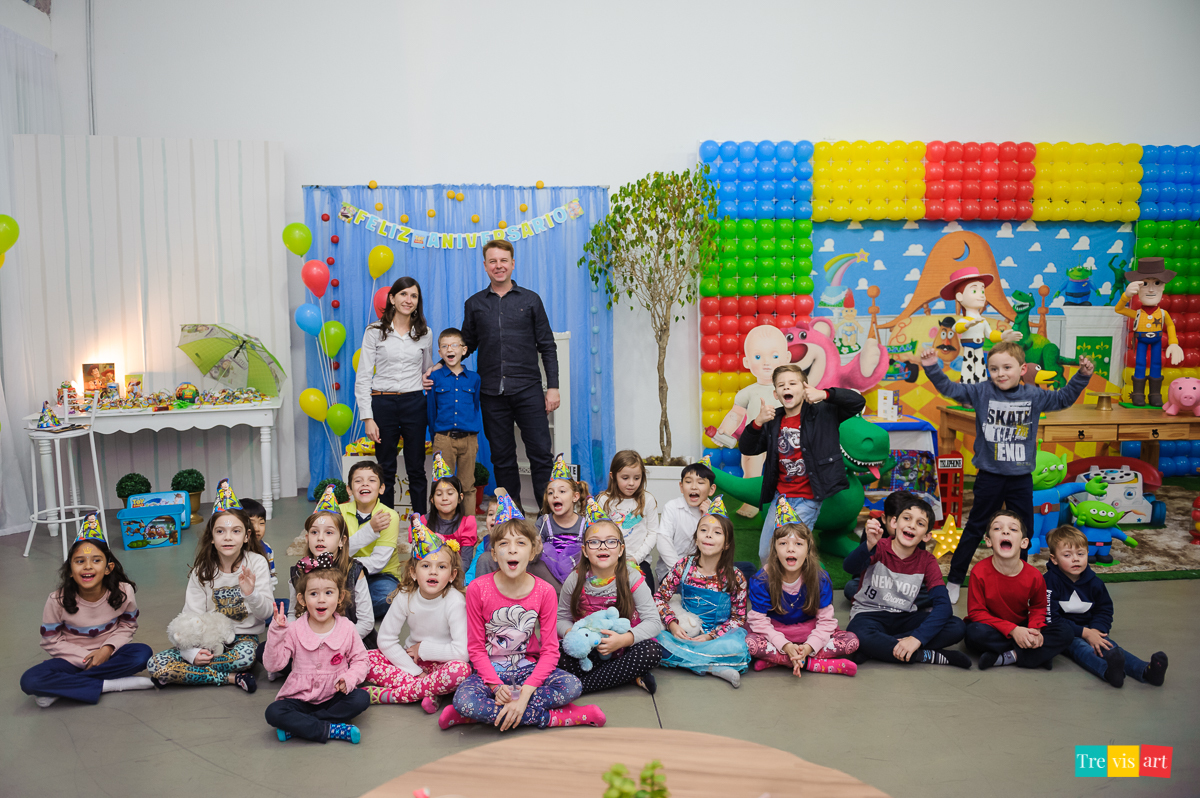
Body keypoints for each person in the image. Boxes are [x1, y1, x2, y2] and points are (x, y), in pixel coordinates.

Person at [920, 341, 1094, 603]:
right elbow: (950, 389)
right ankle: (955, 579)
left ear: (1022, 369)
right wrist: (932, 366)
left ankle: (1019, 580)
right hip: (989, 475)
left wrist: (1082, 376)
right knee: (976, 527)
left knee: (1021, 531)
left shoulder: (1033, 395)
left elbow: (1063, 398)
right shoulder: (982, 392)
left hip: (1020, 478)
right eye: (994, 368)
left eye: (1007, 367)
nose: (1000, 373)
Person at [440, 511, 601, 731]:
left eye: (521, 543)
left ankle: (475, 718)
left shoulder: (544, 591)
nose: (512, 549)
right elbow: (476, 648)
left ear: (533, 551)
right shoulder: (478, 589)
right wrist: (496, 687)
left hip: (528, 669)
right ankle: (560, 717)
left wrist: (524, 694)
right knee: (463, 701)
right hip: (490, 672)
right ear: (494, 554)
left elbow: (551, 650)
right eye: (504, 543)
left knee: (572, 685)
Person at [458, 239, 559, 512]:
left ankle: (548, 517)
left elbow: (547, 345)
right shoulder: (474, 304)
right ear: (485, 266)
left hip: (528, 389)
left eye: (504, 260)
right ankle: (512, 517)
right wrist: (443, 363)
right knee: (502, 458)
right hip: (491, 393)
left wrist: (553, 388)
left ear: (512, 264)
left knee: (540, 454)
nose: (498, 266)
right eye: (493, 261)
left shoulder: (531, 300)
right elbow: (467, 344)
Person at [147, 480, 271, 692]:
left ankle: (187, 674)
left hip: (243, 639)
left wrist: (250, 593)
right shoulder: (202, 571)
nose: (228, 537)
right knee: (155, 665)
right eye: (220, 531)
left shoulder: (257, 563)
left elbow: (265, 613)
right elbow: (190, 617)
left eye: (236, 531)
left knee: (246, 658)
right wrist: (191, 654)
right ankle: (231, 678)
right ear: (212, 537)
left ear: (246, 536)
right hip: (207, 639)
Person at [737, 363, 865, 561]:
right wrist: (758, 422)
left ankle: (796, 590)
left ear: (805, 387)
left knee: (790, 553)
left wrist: (824, 394)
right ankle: (773, 591)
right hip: (780, 499)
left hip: (808, 499)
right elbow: (747, 448)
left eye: (792, 383)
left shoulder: (823, 412)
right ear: (776, 394)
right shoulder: (773, 421)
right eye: (781, 385)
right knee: (766, 553)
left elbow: (857, 402)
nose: (786, 388)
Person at [20, 518, 155, 707]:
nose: (88, 566)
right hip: (72, 659)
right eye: (79, 561)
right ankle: (109, 685)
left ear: (108, 568)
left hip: (110, 654)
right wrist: (85, 658)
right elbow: (51, 640)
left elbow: (128, 625)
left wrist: (106, 650)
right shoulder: (57, 600)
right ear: (69, 570)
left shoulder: (124, 591)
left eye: (96, 560)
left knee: (142, 654)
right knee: (30, 680)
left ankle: (63, 688)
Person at [844, 495, 969, 669]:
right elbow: (849, 567)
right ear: (894, 523)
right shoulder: (878, 547)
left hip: (905, 616)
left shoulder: (927, 560)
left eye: (920, 523)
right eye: (907, 518)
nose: (911, 525)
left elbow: (944, 606)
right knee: (858, 633)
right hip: (869, 614)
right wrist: (868, 546)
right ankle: (925, 655)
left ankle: (879, 648)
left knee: (956, 626)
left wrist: (916, 638)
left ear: (926, 536)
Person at [365, 516, 472, 711]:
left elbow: (462, 653)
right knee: (365, 659)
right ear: (413, 573)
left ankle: (389, 696)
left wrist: (423, 648)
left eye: (441, 567)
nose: (433, 572)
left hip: (444, 665)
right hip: (411, 660)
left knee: (461, 671)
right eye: (425, 566)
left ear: (452, 575)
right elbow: (386, 640)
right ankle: (430, 691)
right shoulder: (406, 595)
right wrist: (415, 672)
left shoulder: (455, 601)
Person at [1043, 525, 1168, 687]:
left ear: (1088, 553)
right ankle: (1109, 672)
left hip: (1090, 627)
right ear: (1054, 559)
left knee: (1110, 646)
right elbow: (1050, 617)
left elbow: (1104, 609)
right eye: (1067, 555)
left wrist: (1096, 630)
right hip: (1065, 632)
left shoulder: (1095, 583)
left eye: (1080, 554)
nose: (1075, 559)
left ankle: (1146, 670)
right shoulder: (1050, 582)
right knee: (1082, 649)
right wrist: (1084, 633)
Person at [747, 499, 858, 677]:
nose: (791, 549)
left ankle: (780, 660)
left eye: (798, 544)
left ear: (808, 550)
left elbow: (826, 622)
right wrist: (785, 645)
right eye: (783, 544)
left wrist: (808, 647)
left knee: (850, 642)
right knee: (750, 643)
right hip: (776, 631)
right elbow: (758, 621)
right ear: (774, 550)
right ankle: (813, 664)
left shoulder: (820, 578)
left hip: (808, 631)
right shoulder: (762, 579)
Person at [557, 511, 664, 694]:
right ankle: (627, 676)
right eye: (594, 542)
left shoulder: (632, 577)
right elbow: (561, 619)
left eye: (611, 541)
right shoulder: (575, 579)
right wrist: (577, 636)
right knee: (556, 655)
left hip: (624, 648)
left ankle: (582, 686)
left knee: (652, 651)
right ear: (584, 550)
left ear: (621, 549)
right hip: (588, 651)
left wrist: (623, 639)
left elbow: (654, 622)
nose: (603, 547)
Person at [263, 569, 370, 744]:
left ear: (340, 597)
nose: (321, 599)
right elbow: (273, 665)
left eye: (329, 593)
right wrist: (276, 633)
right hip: (300, 698)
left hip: (334, 696)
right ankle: (331, 729)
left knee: (361, 698)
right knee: (273, 712)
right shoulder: (294, 629)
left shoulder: (347, 628)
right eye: (313, 594)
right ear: (302, 600)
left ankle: (300, 727)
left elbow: (361, 660)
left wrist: (349, 678)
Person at [654, 497, 750, 688]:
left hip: (717, 637)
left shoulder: (736, 577)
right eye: (703, 530)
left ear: (727, 544)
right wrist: (672, 624)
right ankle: (714, 668)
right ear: (696, 537)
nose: (708, 536)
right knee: (654, 640)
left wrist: (710, 636)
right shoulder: (683, 566)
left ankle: (694, 663)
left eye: (717, 532)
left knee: (738, 649)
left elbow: (738, 618)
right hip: (684, 631)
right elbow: (659, 598)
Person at [356, 275, 434, 513]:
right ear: (392, 298)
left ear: (418, 301)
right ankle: (386, 527)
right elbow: (363, 375)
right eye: (403, 294)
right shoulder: (374, 331)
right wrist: (368, 417)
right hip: (383, 404)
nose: (408, 300)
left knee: (416, 468)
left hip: (414, 404)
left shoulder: (425, 333)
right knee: (386, 468)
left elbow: (427, 369)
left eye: (414, 296)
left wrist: (435, 372)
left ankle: (420, 525)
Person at [965, 511, 1074, 671]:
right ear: (988, 541)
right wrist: (1014, 631)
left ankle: (1011, 656)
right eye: (997, 528)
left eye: (1013, 529)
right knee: (973, 633)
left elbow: (1038, 607)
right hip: (993, 626)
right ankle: (1036, 654)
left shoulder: (1035, 575)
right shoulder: (979, 571)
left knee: (1066, 631)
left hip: (1023, 624)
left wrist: (1034, 630)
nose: (1005, 531)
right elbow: (976, 612)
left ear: (1024, 543)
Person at [283, 489, 373, 638]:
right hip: (309, 639)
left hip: (347, 640)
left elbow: (366, 622)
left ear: (341, 541)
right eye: (314, 532)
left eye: (329, 532)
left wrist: (334, 642)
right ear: (306, 538)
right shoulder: (299, 571)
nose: (320, 538)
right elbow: (293, 614)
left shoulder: (354, 571)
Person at [340, 461, 409, 620]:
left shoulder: (389, 516)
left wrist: (340, 560)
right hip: (344, 572)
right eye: (358, 481)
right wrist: (369, 530)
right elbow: (332, 551)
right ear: (349, 489)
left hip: (381, 575)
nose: (365, 484)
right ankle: (346, 607)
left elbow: (378, 562)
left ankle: (341, 609)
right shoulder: (339, 513)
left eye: (371, 480)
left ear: (381, 488)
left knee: (389, 599)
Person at [842, 491, 931, 609]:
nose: (903, 527)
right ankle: (898, 604)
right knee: (851, 587)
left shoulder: (914, 533)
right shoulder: (874, 531)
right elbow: (857, 569)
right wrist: (869, 544)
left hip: (905, 584)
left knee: (932, 593)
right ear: (884, 519)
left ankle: (884, 603)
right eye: (896, 522)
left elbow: (919, 573)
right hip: (876, 582)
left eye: (907, 519)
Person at [1114, 257, 1183, 406]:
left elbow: (1171, 326)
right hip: (1141, 341)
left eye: (1156, 283)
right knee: (1140, 363)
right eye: (1145, 284)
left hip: (1157, 341)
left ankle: (1155, 394)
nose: (1151, 289)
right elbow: (1118, 309)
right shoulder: (1138, 313)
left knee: (1156, 364)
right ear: (1138, 287)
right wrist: (1126, 295)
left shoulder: (1163, 313)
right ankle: (1138, 394)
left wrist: (1174, 343)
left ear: (1163, 286)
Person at [427, 327, 482, 512]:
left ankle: (468, 527)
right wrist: (437, 436)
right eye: (445, 346)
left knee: (467, 485)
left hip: (469, 439)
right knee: (443, 486)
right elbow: (431, 409)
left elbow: (475, 406)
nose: (450, 349)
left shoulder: (474, 379)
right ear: (440, 352)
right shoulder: (434, 377)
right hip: (444, 439)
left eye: (454, 345)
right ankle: (443, 526)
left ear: (464, 350)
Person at [596, 450, 660, 587]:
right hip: (610, 560)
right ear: (613, 476)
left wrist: (636, 558)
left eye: (637, 478)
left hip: (639, 561)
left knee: (646, 594)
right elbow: (598, 532)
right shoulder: (604, 500)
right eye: (625, 478)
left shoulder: (647, 500)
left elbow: (653, 533)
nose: (631, 483)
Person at [654, 457, 717, 584]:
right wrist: (681, 572)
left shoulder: (715, 510)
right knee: (693, 593)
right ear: (681, 487)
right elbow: (663, 542)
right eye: (688, 482)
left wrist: (707, 518)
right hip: (673, 570)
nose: (694, 487)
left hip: (705, 570)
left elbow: (718, 546)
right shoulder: (672, 507)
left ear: (711, 489)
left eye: (700, 482)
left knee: (747, 568)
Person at [426, 453, 479, 570]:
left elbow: (465, 561)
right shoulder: (423, 523)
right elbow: (418, 559)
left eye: (450, 493)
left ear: (460, 497)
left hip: (456, 573)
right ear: (432, 500)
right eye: (439, 494)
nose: (445, 498)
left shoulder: (467, 524)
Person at [241, 498, 275, 591]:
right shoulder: (235, 551)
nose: (257, 528)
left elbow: (271, 578)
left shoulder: (267, 549)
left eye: (261, 523)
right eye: (251, 523)